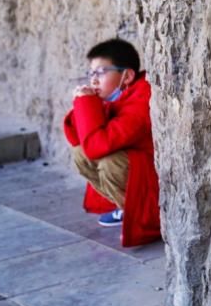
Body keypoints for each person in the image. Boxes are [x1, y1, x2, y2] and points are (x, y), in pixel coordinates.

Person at [63, 38, 161, 247]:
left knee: (109, 162)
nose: (94, 80)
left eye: (101, 72)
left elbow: (96, 146)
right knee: (79, 153)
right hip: (140, 173)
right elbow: (76, 139)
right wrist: (84, 104)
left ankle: (151, 216)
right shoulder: (117, 97)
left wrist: (85, 103)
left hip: (156, 181)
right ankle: (127, 207)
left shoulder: (142, 97)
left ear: (127, 75)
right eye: (91, 73)